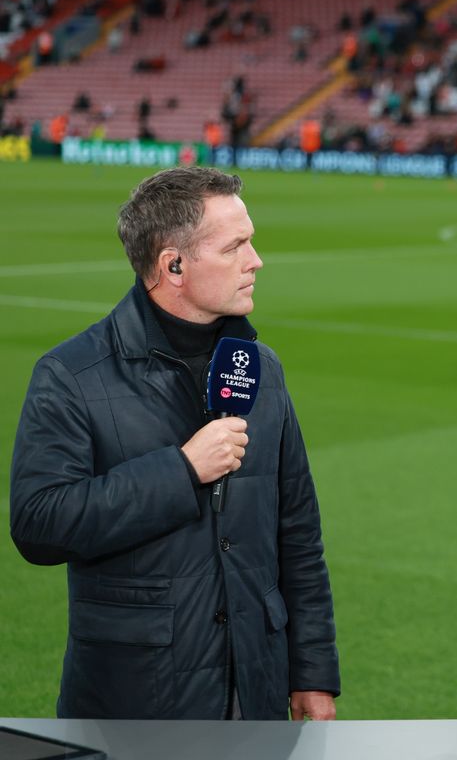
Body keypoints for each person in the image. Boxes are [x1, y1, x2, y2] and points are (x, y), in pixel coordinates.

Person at [10, 167, 340, 721]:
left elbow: (298, 532)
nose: (256, 260)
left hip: (255, 687)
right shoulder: (70, 374)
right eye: (235, 246)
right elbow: (39, 523)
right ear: (174, 266)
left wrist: (312, 672)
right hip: (136, 697)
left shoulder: (261, 369)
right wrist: (183, 470)